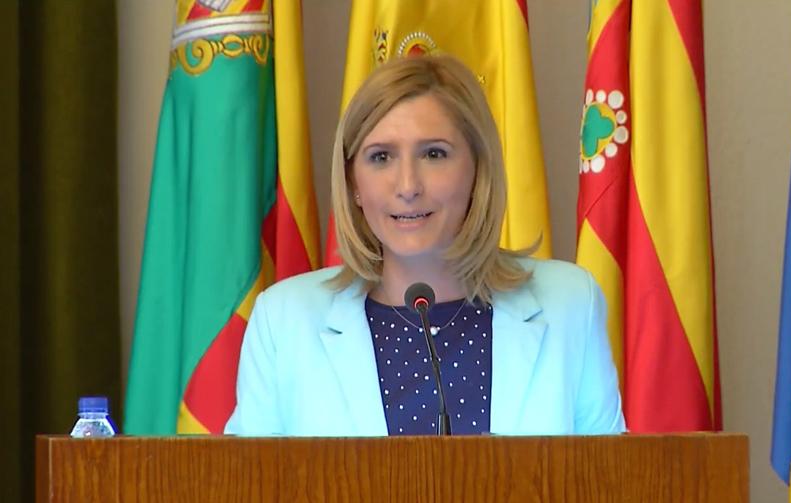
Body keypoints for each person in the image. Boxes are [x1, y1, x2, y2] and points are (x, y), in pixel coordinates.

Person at [225, 54, 625, 436]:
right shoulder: (284, 322)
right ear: (353, 184)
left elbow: (609, 474)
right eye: (381, 157)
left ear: (478, 170)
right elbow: (250, 477)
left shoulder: (570, 304)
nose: (408, 186)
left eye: (434, 154)